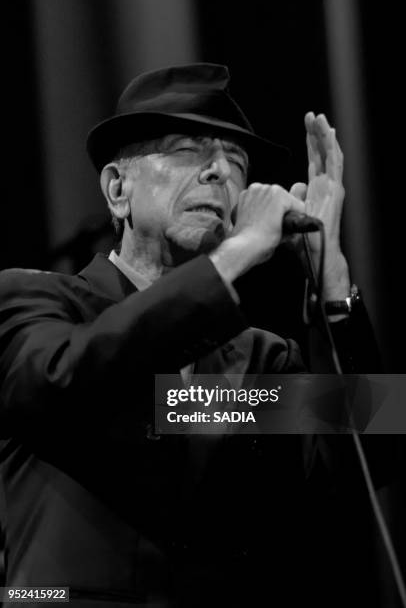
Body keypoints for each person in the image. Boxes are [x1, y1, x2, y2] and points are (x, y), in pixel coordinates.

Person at [0, 63, 390, 607]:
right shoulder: (36, 302)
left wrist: (331, 278)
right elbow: (70, 377)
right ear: (118, 189)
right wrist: (240, 252)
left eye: (236, 162)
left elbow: (365, 456)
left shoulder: (255, 357)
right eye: (187, 150)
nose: (220, 174)